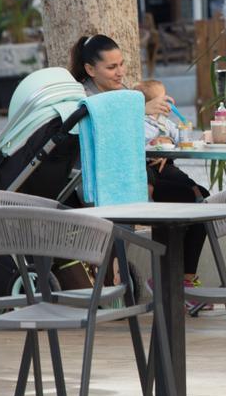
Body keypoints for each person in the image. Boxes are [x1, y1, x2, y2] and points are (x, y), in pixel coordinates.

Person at [70, 35, 210, 308]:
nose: (120, 72)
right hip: (108, 180)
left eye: (121, 64)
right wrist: (141, 111)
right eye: (111, 67)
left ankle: (181, 281)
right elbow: (103, 138)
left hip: (138, 169)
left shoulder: (119, 95)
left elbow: (132, 139)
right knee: (188, 201)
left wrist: (160, 143)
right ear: (90, 69)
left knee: (200, 199)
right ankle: (169, 282)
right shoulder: (83, 98)